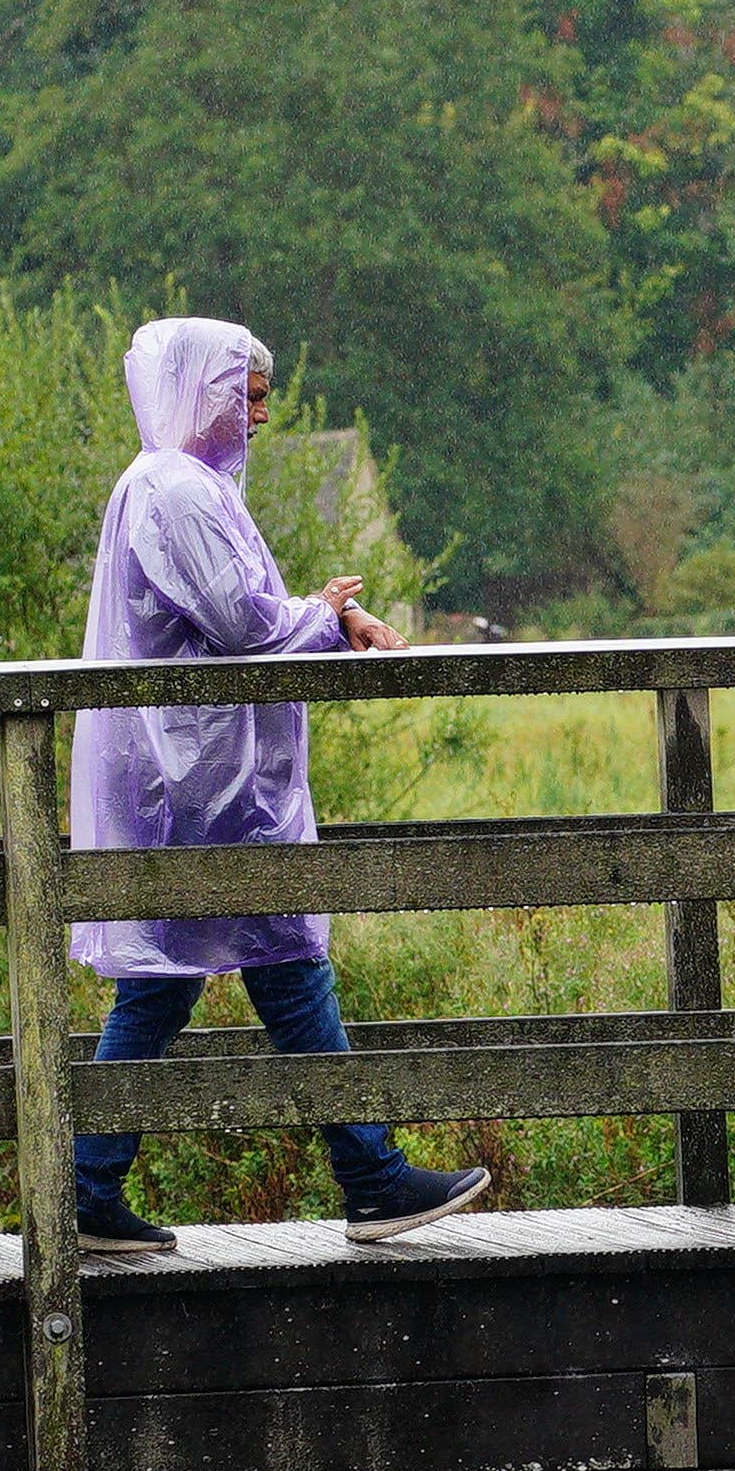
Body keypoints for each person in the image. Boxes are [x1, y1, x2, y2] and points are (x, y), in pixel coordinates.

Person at [61, 315, 493, 1259]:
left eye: (260, 398)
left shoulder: (179, 486)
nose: (257, 415)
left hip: (198, 779)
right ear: (198, 392)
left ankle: (89, 1191)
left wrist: (332, 620)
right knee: (280, 962)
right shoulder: (175, 490)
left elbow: (248, 615)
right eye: (243, 395)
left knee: (166, 982)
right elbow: (243, 623)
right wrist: (321, 615)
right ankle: (371, 1178)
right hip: (205, 786)